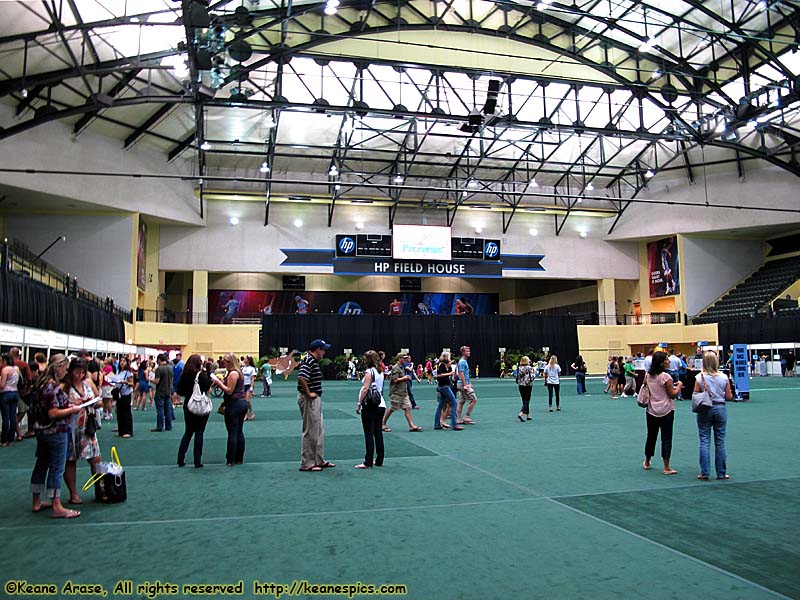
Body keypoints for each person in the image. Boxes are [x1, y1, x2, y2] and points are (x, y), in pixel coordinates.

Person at [29, 354, 81, 518]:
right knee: (57, 467)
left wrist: (72, 404)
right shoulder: (53, 386)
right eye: (65, 369)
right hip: (56, 431)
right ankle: (56, 505)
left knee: (41, 464)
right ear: (59, 367)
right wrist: (72, 410)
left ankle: (36, 500)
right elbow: (53, 412)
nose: (66, 372)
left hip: (41, 430)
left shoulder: (39, 383)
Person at [62, 358, 103, 505]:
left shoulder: (87, 385)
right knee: (70, 461)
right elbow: (59, 407)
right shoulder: (64, 387)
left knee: (96, 460)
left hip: (87, 428)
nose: (79, 375)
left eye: (82, 372)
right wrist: (73, 405)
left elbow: (99, 401)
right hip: (71, 428)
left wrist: (91, 401)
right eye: (76, 372)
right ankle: (73, 494)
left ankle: (101, 490)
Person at [296, 340, 335, 472]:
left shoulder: (311, 360)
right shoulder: (309, 361)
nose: (324, 352)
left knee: (318, 430)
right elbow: (301, 377)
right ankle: (307, 463)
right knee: (310, 431)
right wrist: (308, 393)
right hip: (309, 399)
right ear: (317, 349)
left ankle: (318, 459)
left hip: (314, 398)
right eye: (323, 350)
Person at [642, 351, 683, 475]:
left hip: (651, 410)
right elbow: (672, 395)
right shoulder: (666, 377)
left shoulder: (648, 376)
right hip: (666, 410)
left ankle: (647, 461)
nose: (669, 361)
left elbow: (645, 387)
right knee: (666, 438)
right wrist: (679, 386)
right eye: (667, 360)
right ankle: (666, 467)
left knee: (651, 436)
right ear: (661, 363)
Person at [694, 351, 732, 481]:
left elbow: (696, 394)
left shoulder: (699, 377)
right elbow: (729, 396)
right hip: (720, 407)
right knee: (720, 441)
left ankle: (704, 473)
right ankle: (721, 473)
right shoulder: (724, 377)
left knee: (704, 440)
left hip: (705, 408)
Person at [212, 353, 248, 466]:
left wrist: (218, 382)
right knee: (239, 431)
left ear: (230, 362)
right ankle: (239, 458)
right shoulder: (239, 373)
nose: (224, 364)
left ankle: (230, 459)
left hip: (234, 404)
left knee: (232, 432)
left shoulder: (233, 373)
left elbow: (229, 391)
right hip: (241, 403)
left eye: (225, 362)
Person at [176, 354, 212, 468]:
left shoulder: (184, 375)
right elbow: (208, 389)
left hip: (188, 405)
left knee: (188, 432)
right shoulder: (201, 375)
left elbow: (180, 391)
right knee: (199, 433)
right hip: (200, 405)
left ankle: (180, 458)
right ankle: (197, 460)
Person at [354, 350, 386, 469]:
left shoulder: (369, 372)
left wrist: (359, 403)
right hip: (381, 404)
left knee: (368, 433)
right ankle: (379, 459)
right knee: (378, 432)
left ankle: (368, 461)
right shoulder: (380, 371)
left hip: (370, 406)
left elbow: (365, 388)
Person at [382, 353, 423, 432]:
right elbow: (395, 380)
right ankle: (383, 423)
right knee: (392, 408)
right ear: (399, 359)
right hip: (396, 392)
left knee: (407, 408)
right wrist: (405, 377)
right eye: (404, 358)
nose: (405, 360)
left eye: (406, 358)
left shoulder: (403, 367)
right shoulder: (396, 368)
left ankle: (411, 426)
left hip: (404, 392)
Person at [434, 352, 462, 431]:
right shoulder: (442, 365)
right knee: (454, 403)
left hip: (446, 386)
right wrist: (449, 373)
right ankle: (454, 424)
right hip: (444, 387)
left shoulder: (447, 366)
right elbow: (438, 375)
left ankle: (437, 424)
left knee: (441, 405)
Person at [0, 353, 21, 446]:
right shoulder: (16, 369)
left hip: (5, 394)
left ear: (4, 361)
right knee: (13, 417)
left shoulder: (5, 370)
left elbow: (2, 385)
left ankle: (3, 440)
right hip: (15, 393)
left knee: (5, 418)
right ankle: (11, 439)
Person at [151, 354, 174, 432]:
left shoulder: (159, 369)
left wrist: (150, 380)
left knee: (160, 410)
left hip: (160, 391)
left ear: (159, 360)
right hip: (168, 391)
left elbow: (157, 381)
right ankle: (169, 426)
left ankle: (160, 427)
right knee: (168, 410)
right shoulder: (170, 368)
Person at [113, 356, 134, 438]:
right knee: (119, 412)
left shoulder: (128, 373)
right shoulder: (118, 371)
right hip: (119, 394)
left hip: (126, 394)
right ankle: (121, 430)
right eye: (121, 361)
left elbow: (132, 384)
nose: (122, 362)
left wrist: (125, 382)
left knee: (126, 413)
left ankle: (128, 431)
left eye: (124, 361)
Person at [456, 346, 477, 425]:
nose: (469, 352)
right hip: (462, 384)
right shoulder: (462, 362)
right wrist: (465, 385)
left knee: (461, 401)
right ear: (463, 352)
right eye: (467, 351)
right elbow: (461, 373)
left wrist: (469, 383)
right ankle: (466, 417)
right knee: (474, 399)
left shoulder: (464, 361)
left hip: (462, 384)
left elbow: (465, 373)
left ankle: (458, 419)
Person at [516, 356, 535, 422]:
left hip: (521, 385)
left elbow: (517, 376)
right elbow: (532, 376)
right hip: (528, 385)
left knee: (524, 400)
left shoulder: (519, 368)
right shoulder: (529, 368)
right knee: (527, 400)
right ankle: (521, 413)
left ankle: (528, 415)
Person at [241, 356, 257, 420]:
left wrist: (251, 387)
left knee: (247, 401)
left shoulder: (252, 369)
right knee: (245, 401)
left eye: (245, 359)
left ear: (248, 360)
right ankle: (249, 413)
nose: (244, 360)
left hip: (248, 385)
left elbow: (252, 378)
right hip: (242, 386)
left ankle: (247, 414)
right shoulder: (242, 368)